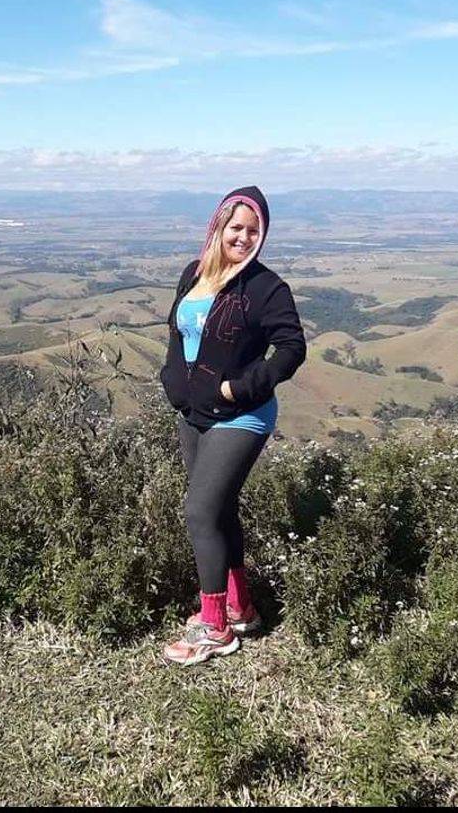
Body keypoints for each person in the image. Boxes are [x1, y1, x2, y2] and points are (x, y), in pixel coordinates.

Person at [158, 185, 307, 665]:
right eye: (236, 227)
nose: (243, 237)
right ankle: (240, 606)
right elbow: (178, 335)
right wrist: (173, 381)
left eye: (253, 230)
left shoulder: (266, 288)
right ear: (218, 227)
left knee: (199, 512)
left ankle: (215, 627)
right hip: (193, 414)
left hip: (242, 416)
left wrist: (239, 388)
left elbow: (291, 349)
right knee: (219, 511)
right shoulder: (194, 274)